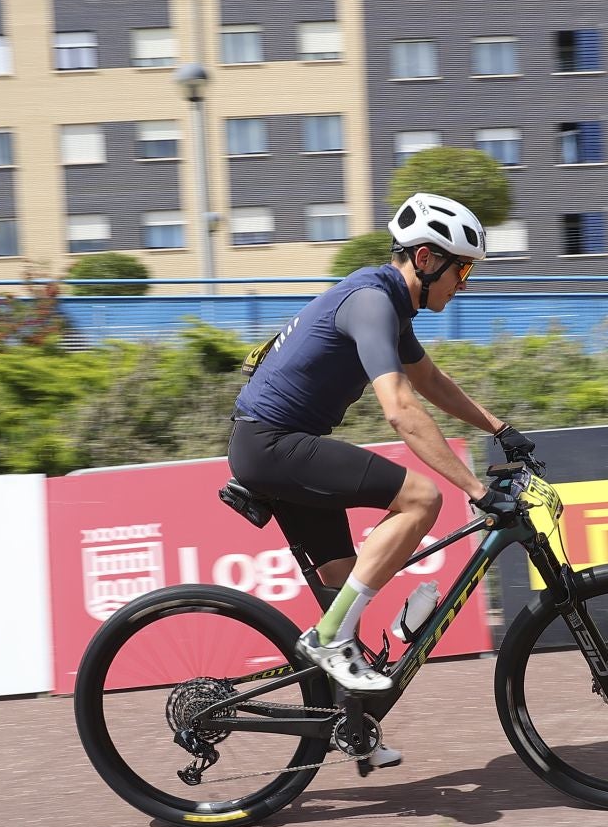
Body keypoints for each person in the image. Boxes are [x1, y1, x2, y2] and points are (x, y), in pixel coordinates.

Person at [227, 192, 535, 735]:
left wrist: (499, 428)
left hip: (275, 443)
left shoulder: (389, 303)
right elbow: (400, 409)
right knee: (422, 498)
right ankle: (327, 642)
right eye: (460, 269)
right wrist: (474, 489)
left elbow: (431, 381)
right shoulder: (372, 302)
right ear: (424, 259)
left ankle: (352, 728)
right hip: (273, 443)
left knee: (346, 596)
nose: (464, 283)